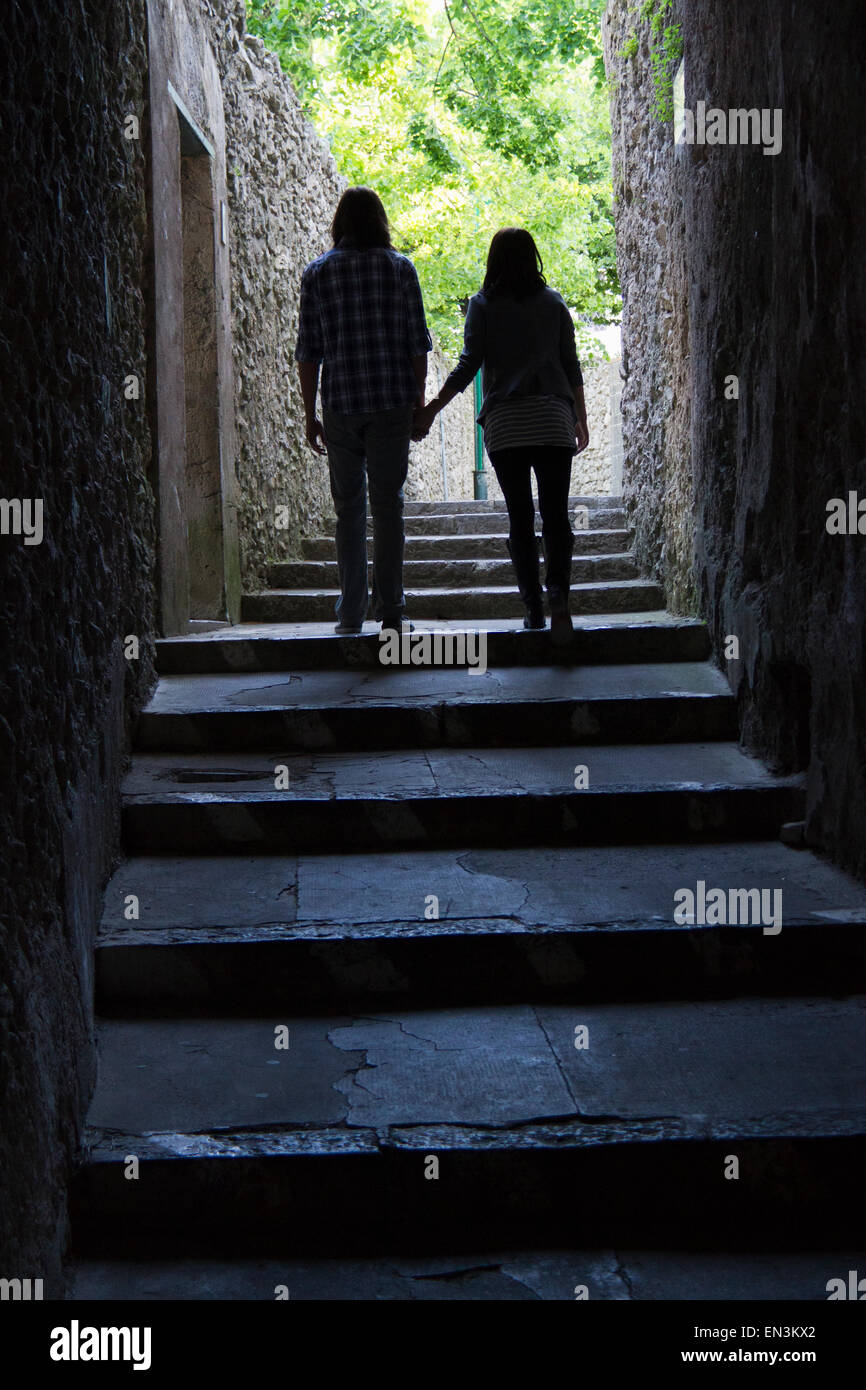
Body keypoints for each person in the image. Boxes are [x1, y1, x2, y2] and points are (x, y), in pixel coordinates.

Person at [413, 227, 589, 644]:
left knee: (521, 518)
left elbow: (468, 364)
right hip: (551, 418)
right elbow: (571, 364)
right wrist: (580, 418)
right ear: (534, 258)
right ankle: (559, 595)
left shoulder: (482, 306)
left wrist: (430, 410)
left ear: (493, 261)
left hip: (506, 425)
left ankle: (532, 609)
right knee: (557, 514)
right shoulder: (554, 303)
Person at [295, 186, 432, 633]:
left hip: (341, 406)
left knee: (348, 509)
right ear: (380, 221)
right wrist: (419, 400)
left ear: (340, 223)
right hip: (391, 402)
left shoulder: (317, 274)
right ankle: (391, 611)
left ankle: (351, 613)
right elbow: (417, 344)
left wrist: (309, 412)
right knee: (388, 507)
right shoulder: (400, 269)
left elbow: (308, 352)